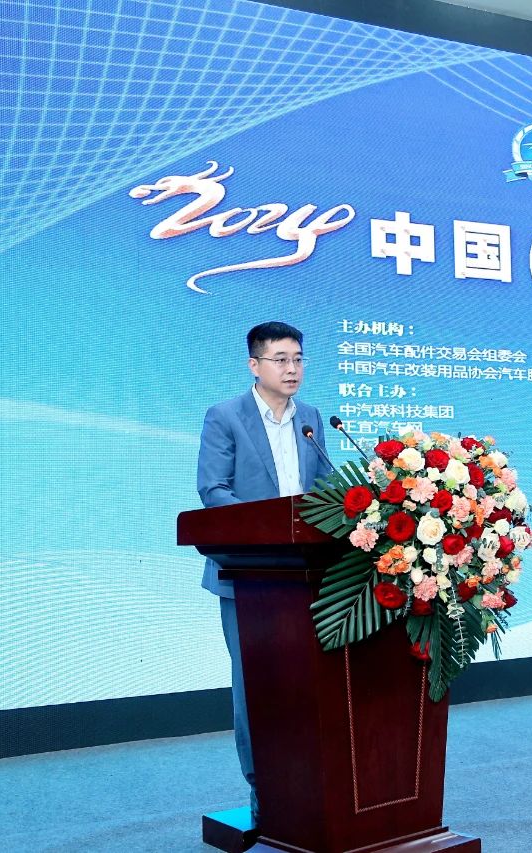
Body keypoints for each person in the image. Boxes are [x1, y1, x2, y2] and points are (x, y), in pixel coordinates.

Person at [196, 321, 332, 825]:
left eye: (298, 359)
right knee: (254, 686)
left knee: (307, 683)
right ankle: (263, 786)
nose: (292, 368)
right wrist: (269, 530)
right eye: (280, 359)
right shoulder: (225, 416)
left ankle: (307, 780)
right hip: (247, 577)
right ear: (254, 365)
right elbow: (213, 490)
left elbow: (325, 487)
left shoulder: (311, 418)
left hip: (306, 577)